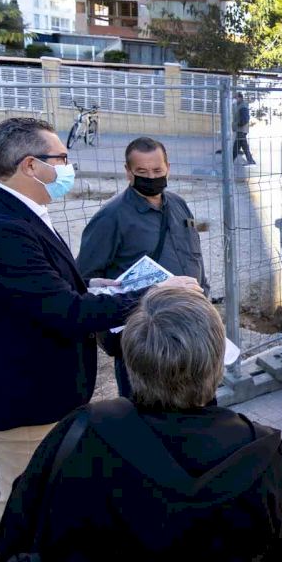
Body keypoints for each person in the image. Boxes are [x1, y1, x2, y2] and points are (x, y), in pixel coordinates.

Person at [0, 118, 199, 540]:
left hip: (42, 392)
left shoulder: (15, 211)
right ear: (31, 165)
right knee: (22, 500)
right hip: (24, 400)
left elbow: (45, 291)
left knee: (44, 496)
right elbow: (65, 312)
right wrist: (152, 293)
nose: (69, 167)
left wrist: (96, 287)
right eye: (62, 159)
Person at [0, 287, 282, 562]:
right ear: (217, 365)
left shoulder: (78, 435)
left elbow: (16, 543)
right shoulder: (268, 461)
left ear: (132, 362)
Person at [78, 137, 211, 398]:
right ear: (128, 172)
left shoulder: (179, 205)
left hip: (190, 330)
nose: (151, 177)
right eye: (142, 172)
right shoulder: (111, 217)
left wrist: (203, 296)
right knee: (144, 412)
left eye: (157, 170)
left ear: (168, 168)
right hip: (145, 342)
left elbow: (193, 255)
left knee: (195, 404)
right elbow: (83, 278)